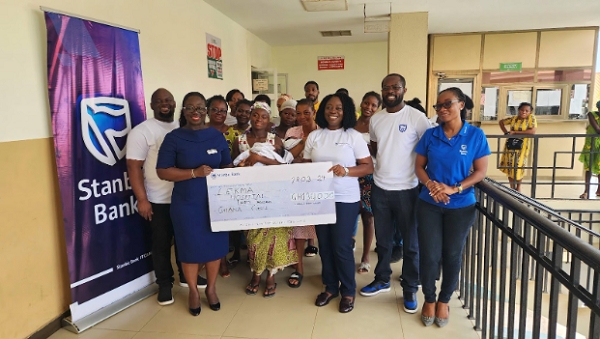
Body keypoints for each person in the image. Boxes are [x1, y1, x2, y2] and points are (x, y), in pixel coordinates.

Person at [415, 87, 490, 327]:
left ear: (461, 105)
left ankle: (444, 300)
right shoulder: (430, 135)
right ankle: (428, 298)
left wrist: (454, 188)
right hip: (429, 203)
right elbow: (419, 168)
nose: (442, 109)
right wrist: (431, 186)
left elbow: (480, 172)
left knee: (452, 254)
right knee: (429, 253)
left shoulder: (475, 135)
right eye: (438, 106)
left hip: (461, 205)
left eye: (447, 103)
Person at [126, 88, 207, 305]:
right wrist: (142, 199)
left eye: (169, 100)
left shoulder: (184, 126)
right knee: (161, 244)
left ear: (175, 104)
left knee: (185, 240)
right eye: (159, 101)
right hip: (158, 199)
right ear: (151, 105)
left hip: (186, 197)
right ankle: (164, 284)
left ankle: (185, 276)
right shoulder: (142, 131)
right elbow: (133, 167)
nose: (165, 104)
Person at [360, 74, 431, 316]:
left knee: (411, 245)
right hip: (380, 188)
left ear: (404, 89)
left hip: (408, 190)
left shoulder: (416, 117)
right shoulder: (376, 119)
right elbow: (375, 149)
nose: (390, 91)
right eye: (386, 87)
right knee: (384, 242)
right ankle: (381, 279)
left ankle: (410, 288)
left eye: (395, 87)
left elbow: (428, 149)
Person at [156, 92, 232, 316]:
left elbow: (227, 164)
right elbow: (162, 171)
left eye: (200, 108)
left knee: (215, 247)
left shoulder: (216, 136)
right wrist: (193, 173)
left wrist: (230, 178)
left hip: (216, 202)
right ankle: (192, 291)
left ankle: (210, 288)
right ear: (183, 111)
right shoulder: (174, 138)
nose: (196, 112)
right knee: (189, 249)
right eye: (190, 108)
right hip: (187, 204)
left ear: (206, 110)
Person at [304, 93, 374, 313]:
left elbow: (368, 167)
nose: (333, 111)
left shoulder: (353, 136)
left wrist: (346, 171)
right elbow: (306, 164)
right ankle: (330, 286)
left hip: (345, 198)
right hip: (320, 198)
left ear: (346, 112)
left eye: (339, 108)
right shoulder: (314, 136)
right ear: (323, 110)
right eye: (329, 107)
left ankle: (348, 291)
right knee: (324, 245)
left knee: (342, 246)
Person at [231, 101, 298, 298]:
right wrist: (243, 165)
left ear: (270, 120)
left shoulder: (275, 140)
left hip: (274, 196)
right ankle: (256, 273)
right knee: (253, 237)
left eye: (264, 117)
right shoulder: (240, 140)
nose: (259, 119)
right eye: (256, 115)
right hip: (250, 197)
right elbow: (234, 166)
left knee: (275, 237)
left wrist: (260, 159)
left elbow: (284, 166)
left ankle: (271, 275)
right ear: (250, 116)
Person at [353, 91, 381, 274]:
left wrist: (370, 148)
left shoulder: (378, 125)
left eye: (373, 105)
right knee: (349, 213)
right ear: (361, 103)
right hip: (350, 173)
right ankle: (349, 246)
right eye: (366, 103)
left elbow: (381, 152)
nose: (368, 108)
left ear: (377, 108)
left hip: (369, 174)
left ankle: (365, 257)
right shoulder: (350, 123)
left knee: (368, 216)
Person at [498, 102, 537, 192]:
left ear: (530, 112)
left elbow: (532, 131)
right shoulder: (513, 119)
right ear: (519, 110)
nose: (524, 112)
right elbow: (501, 122)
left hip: (522, 147)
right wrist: (506, 132)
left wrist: (515, 133)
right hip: (510, 146)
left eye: (527, 111)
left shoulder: (531, 119)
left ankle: (518, 188)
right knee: (510, 166)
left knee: (519, 166)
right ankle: (512, 187)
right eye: (522, 110)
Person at [578, 101, 600, 199]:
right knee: (589, 167)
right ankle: (586, 191)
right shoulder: (591, 114)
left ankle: (599, 190)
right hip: (591, 144)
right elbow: (597, 129)